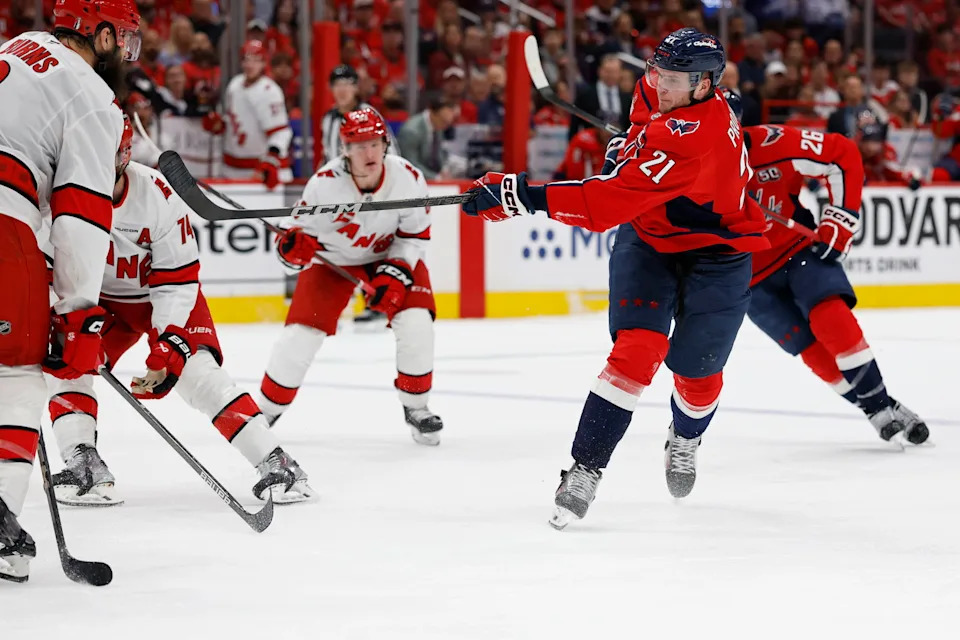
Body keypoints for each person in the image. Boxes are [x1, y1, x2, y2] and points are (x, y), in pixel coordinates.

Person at [462, 28, 769, 530]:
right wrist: (627, 150)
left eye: (674, 80)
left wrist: (518, 195)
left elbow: (604, 204)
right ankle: (585, 468)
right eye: (658, 73)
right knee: (636, 351)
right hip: (650, 238)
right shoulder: (657, 91)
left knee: (697, 371)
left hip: (719, 249)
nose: (660, 86)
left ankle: (686, 437)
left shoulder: (699, 133)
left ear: (706, 85)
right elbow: (641, 134)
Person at [45, 119, 313, 507]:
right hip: (96, 300)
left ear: (123, 155)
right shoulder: (56, 195)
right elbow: (44, 266)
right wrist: (63, 321)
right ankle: (83, 462)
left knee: (198, 374)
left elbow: (176, 280)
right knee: (67, 363)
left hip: (162, 295)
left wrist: (166, 347)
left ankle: (277, 463)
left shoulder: (156, 194)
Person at [0, 0, 140, 584]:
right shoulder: (89, 92)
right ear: (102, 36)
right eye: (125, 43)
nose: (128, 57)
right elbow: (81, 217)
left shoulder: (16, 48)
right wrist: (79, 312)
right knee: (18, 373)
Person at [728, 93, 929, 446]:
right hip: (744, 277)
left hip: (796, 250)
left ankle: (879, 406)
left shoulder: (773, 142)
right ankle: (880, 406)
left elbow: (842, 153)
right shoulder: (687, 164)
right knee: (812, 352)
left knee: (829, 316)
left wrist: (840, 219)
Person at [257, 109, 444, 446]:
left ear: (385, 143)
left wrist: (397, 271)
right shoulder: (323, 186)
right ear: (344, 149)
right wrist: (291, 251)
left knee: (416, 323)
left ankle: (417, 406)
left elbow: (415, 235)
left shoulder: (409, 178)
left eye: (374, 143)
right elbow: (290, 244)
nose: (369, 153)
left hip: (389, 255)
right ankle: (265, 410)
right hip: (333, 261)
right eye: (359, 146)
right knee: (300, 336)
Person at [219, 39, 292, 189]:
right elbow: (232, 120)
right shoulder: (234, 85)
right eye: (247, 59)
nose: (250, 65)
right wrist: (219, 124)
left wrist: (271, 160)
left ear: (264, 63)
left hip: (260, 169)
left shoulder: (270, 91)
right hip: (232, 168)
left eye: (256, 60)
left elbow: (280, 132)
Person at [319, 64, 398, 165]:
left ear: (356, 87)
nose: (342, 90)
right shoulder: (328, 119)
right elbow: (328, 154)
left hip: (368, 178)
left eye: (347, 84)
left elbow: (390, 150)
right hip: (338, 178)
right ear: (331, 88)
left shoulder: (369, 114)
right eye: (337, 84)